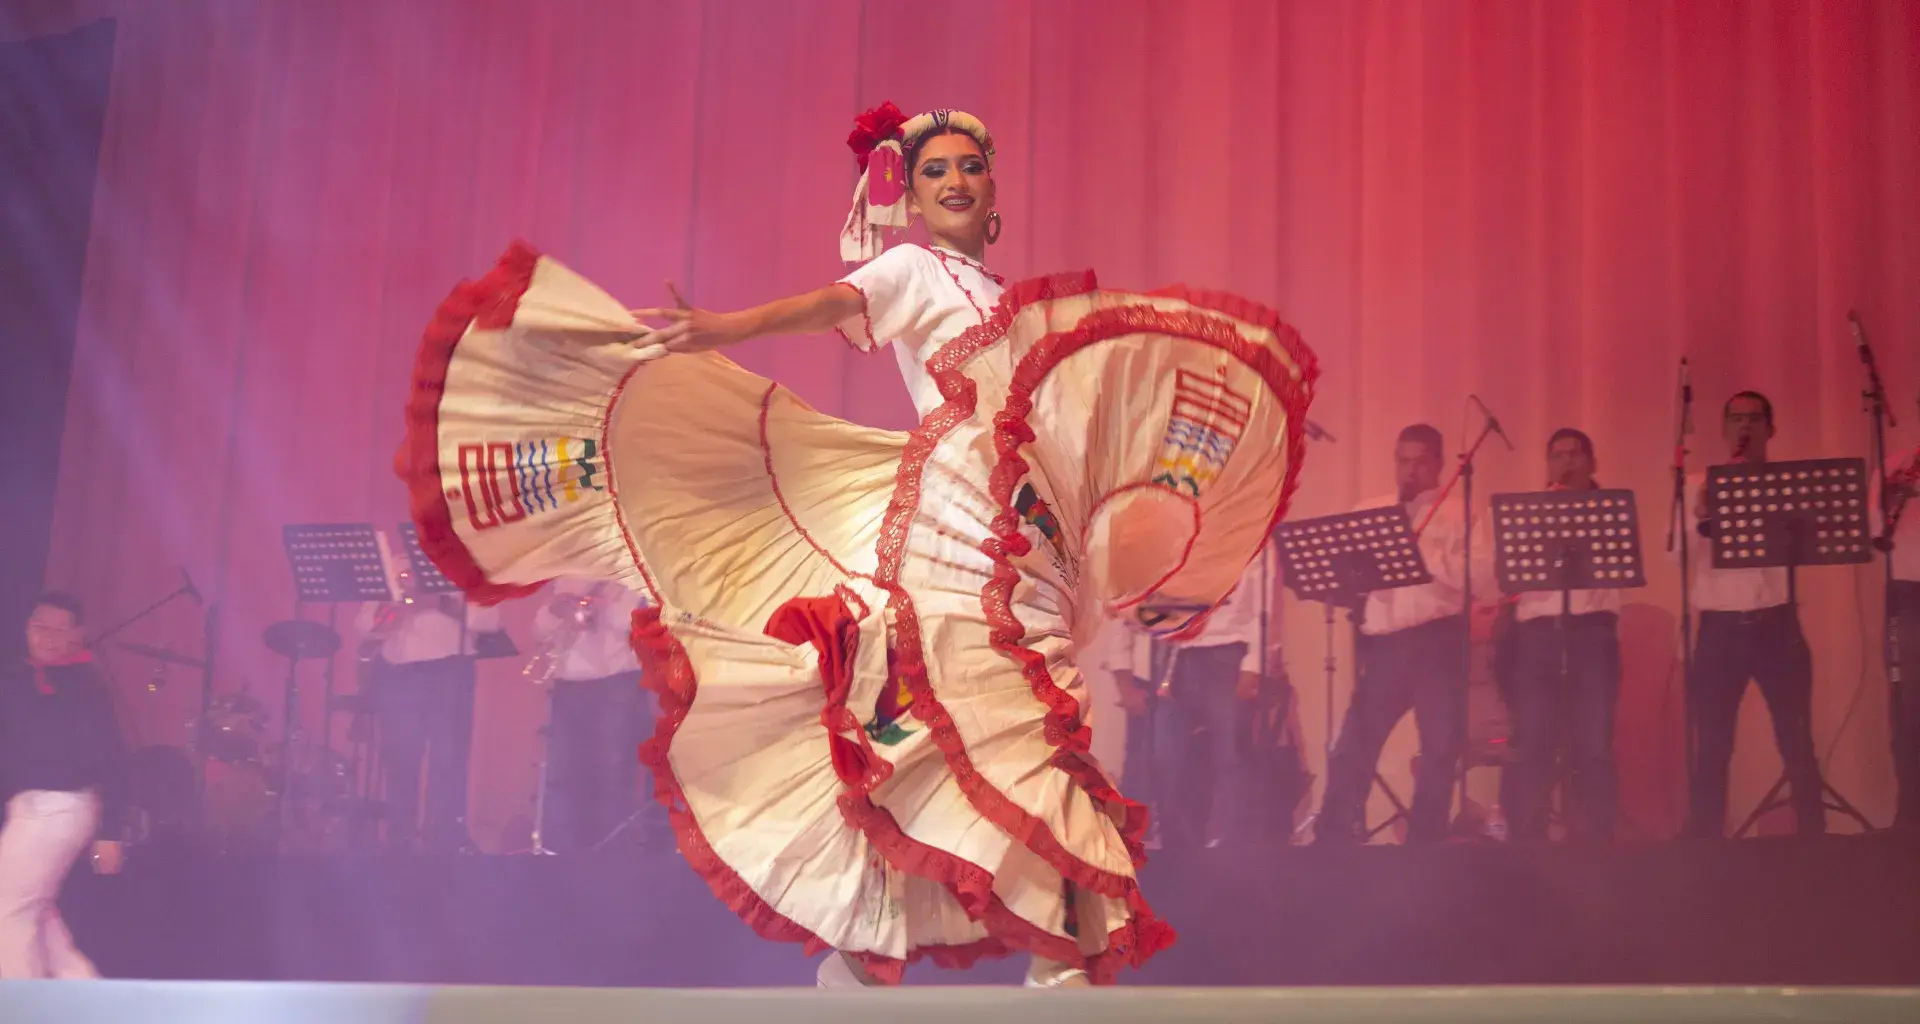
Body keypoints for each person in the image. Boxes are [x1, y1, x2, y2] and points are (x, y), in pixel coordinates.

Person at [395, 102, 1316, 986]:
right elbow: (827, 301)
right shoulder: (910, 269)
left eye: (969, 168)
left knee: (978, 736)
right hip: (954, 529)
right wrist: (724, 328)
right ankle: (1054, 957)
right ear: (909, 198)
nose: (954, 181)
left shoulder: (998, 295)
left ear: (994, 193)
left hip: (1024, 547)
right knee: (1016, 730)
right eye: (933, 171)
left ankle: (880, 952)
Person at [1313, 424, 1494, 844]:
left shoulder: (1464, 513)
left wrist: (1419, 552)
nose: (1410, 470)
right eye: (1403, 460)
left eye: (1420, 461)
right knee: (1355, 743)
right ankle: (1333, 838)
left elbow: (1483, 579)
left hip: (1439, 641)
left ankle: (1425, 845)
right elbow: (1346, 576)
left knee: (1439, 749)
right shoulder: (1369, 510)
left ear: (1439, 464)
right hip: (1385, 643)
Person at [1680, 391, 1825, 837]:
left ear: (1770, 428)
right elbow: (1674, 554)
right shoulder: (1693, 484)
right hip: (1720, 629)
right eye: (1736, 419)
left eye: (1755, 418)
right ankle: (1706, 841)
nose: (1745, 427)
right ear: (1724, 430)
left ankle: (1815, 840)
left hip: (1776, 622)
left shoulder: (1787, 484)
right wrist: (1700, 510)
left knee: (1796, 736)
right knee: (1714, 743)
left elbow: (1815, 542)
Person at [1109, 543, 1281, 850]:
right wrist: (1136, 611)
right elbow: (1162, 612)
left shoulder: (1251, 529)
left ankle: (1233, 852)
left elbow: (1262, 610)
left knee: (1229, 758)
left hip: (1227, 653)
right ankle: (1181, 852)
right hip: (1176, 655)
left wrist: (1253, 667)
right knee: (1166, 758)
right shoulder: (1179, 529)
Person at [1499, 428, 1622, 842]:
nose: (1566, 462)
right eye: (1557, 455)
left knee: (1594, 745)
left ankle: (1598, 843)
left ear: (1593, 463)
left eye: (1575, 454)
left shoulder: (1610, 512)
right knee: (1533, 743)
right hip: (1537, 636)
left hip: (1591, 633)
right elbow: (1505, 579)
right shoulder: (1529, 513)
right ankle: (1527, 845)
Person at [0, 592, 125, 979]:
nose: (48, 636)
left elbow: (114, 761)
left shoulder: (85, 687)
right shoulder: (20, 680)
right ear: (26, 629)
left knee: (8, 912)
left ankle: (20, 1009)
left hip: (57, 808)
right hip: (34, 810)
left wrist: (111, 832)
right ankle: (88, 997)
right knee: (38, 916)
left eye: (60, 629)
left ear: (77, 635)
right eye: (41, 626)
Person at [355, 570, 504, 852]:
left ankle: (443, 841)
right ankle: (400, 840)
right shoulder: (394, 566)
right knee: (400, 759)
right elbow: (363, 624)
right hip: (397, 670)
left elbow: (489, 620)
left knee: (447, 760)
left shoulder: (466, 564)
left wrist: (440, 600)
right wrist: (391, 603)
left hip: (448, 668)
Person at [529, 576, 661, 852]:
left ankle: (608, 858)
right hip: (567, 686)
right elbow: (539, 630)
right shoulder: (568, 571)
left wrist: (599, 605)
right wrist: (557, 610)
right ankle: (563, 857)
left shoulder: (629, 572)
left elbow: (641, 624)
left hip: (615, 684)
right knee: (563, 776)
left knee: (610, 776)